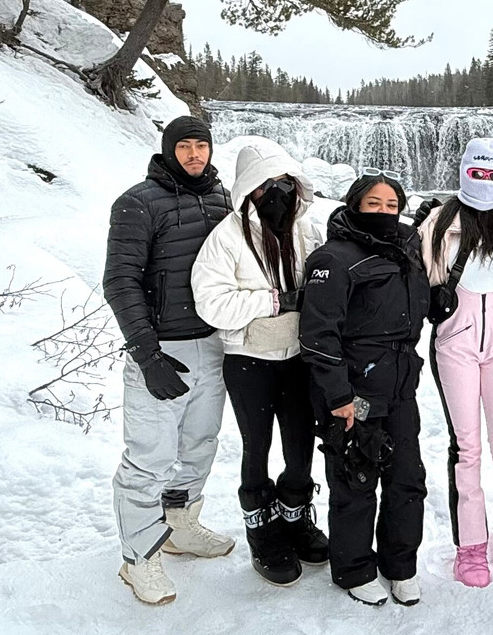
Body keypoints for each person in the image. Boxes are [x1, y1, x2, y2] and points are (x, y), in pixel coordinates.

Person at [104, 116, 235, 605]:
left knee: (200, 444)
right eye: (186, 146)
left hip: (213, 343)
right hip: (161, 349)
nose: (195, 154)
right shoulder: (137, 202)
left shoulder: (223, 199)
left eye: (202, 145)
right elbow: (120, 281)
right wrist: (147, 353)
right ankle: (139, 557)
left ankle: (180, 525)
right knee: (149, 459)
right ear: (168, 149)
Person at [191, 138, 329, 587]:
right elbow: (210, 302)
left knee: (299, 444)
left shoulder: (305, 231)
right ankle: (261, 528)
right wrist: (274, 301)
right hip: (250, 358)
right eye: (266, 185)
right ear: (248, 190)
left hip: (299, 356)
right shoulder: (227, 238)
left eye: (285, 183)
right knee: (258, 446)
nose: (278, 193)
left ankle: (295, 516)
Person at [299, 170, 430, 607]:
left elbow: (411, 297)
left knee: (407, 479)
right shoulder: (332, 258)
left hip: (401, 383)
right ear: (355, 204)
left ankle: (400, 565)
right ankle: (354, 568)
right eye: (373, 204)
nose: (383, 212)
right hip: (354, 388)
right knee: (355, 479)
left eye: (391, 205)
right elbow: (318, 335)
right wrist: (337, 397)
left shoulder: (408, 244)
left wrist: (439, 299)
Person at [417, 138, 493, 593]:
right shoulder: (439, 221)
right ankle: (470, 545)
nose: (484, 181)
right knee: (467, 449)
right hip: (455, 343)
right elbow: (416, 274)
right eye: (477, 173)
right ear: (464, 171)